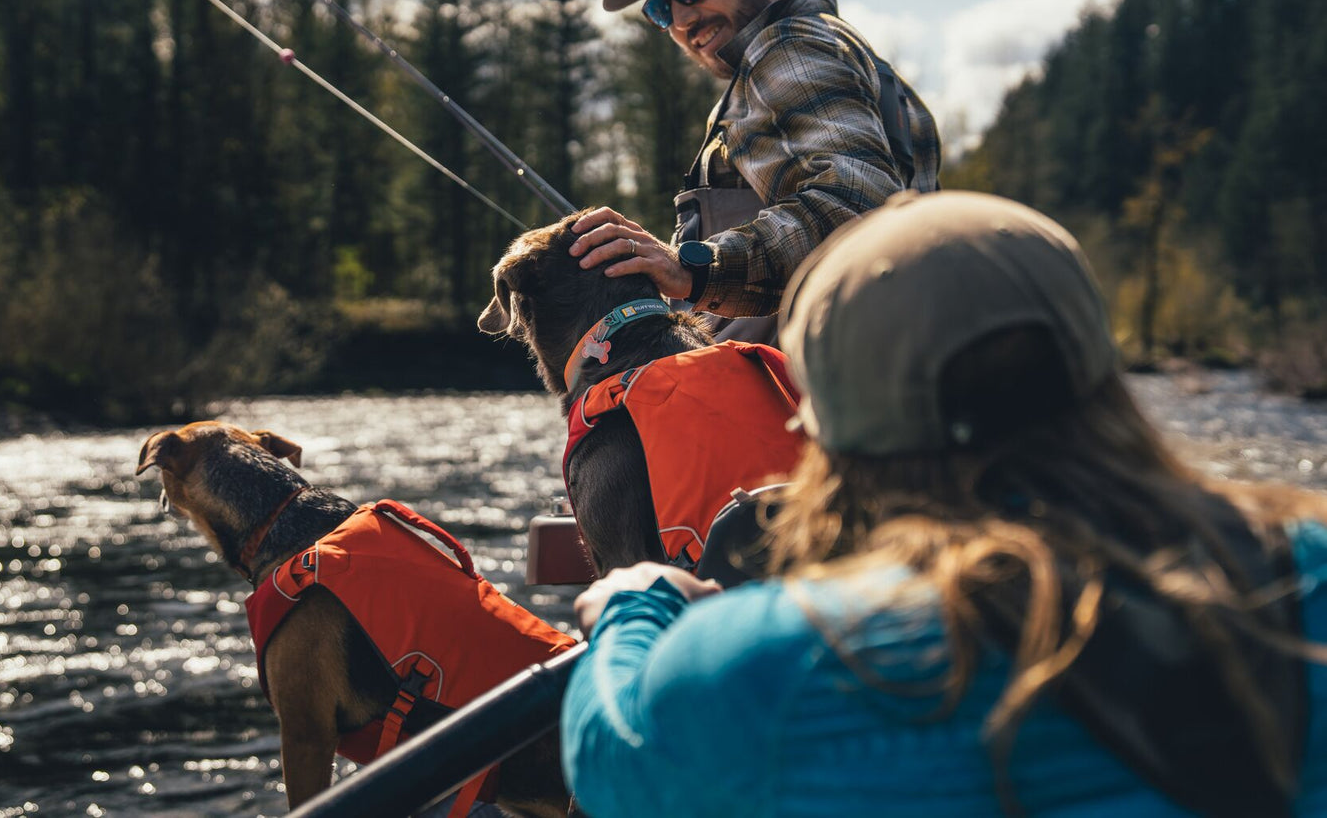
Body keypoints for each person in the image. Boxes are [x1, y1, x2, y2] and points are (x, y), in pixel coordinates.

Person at [559, 190, 1327, 818]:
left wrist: (639, 604)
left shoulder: (772, 662)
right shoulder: (1305, 567)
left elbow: (612, 761)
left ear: (828, 428)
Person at [570, 0, 940, 343]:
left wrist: (690, 267)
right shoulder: (846, 53)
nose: (682, 20)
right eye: (661, 8)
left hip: (804, 403)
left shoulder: (786, 46)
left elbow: (860, 210)